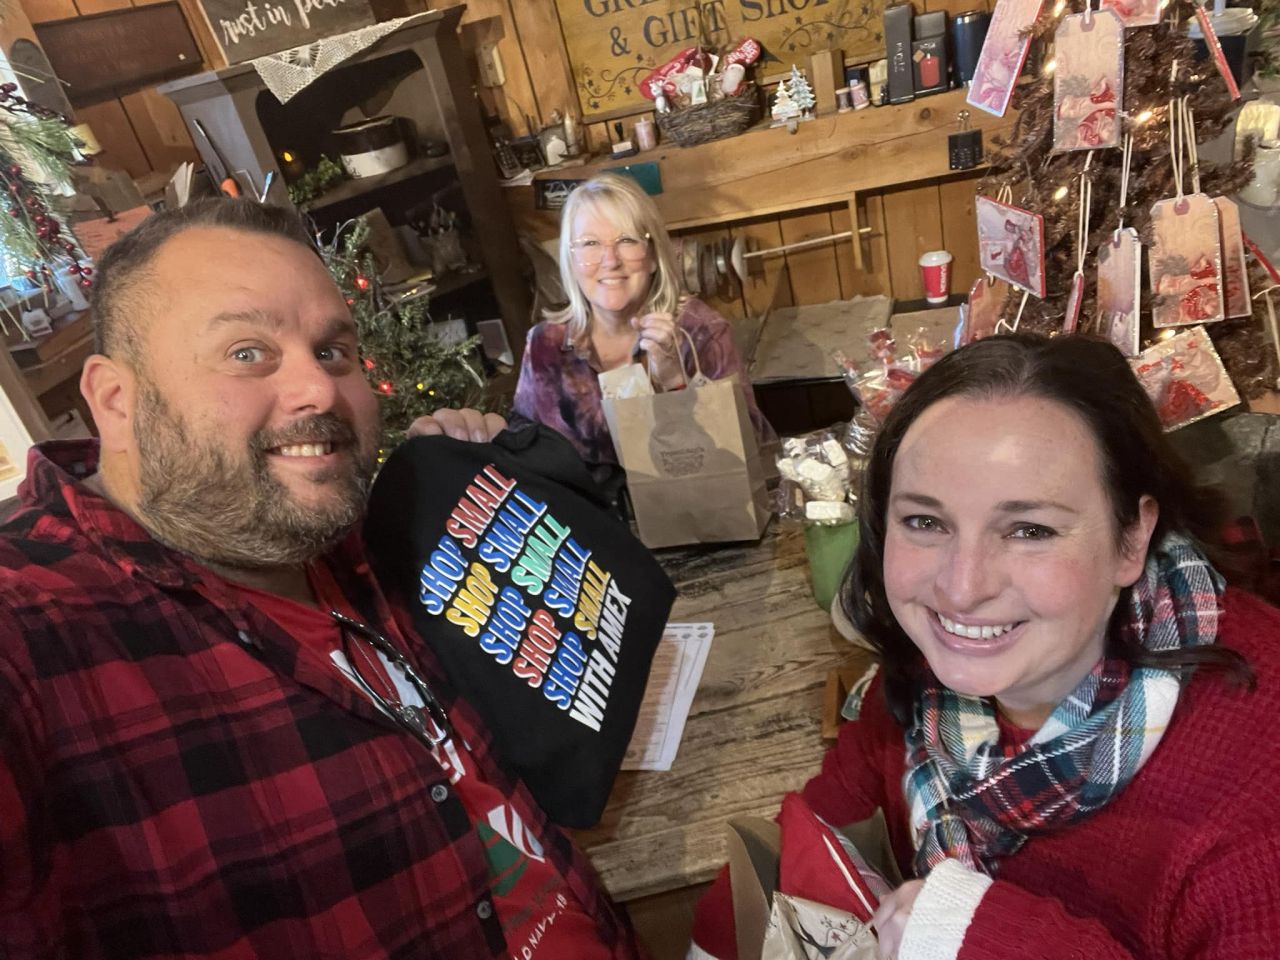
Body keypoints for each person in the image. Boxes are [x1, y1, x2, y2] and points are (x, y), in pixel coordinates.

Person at [0, 198, 640, 959]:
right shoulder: (33, 626)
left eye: (333, 352)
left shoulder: (351, 539)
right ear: (116, 399)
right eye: (247, 352)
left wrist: (464, 476)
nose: (321, 391)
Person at [691, 334, 1280, 960]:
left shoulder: (1255, 812)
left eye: (1029, 530)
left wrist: (980, 935)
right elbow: (819, 831)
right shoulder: (927, 679)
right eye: (925, 522)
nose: (961, 589)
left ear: (1132, 538)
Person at [512, 173, 776, 466]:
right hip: (582, 510)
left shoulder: (700, 331)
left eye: (626, 240)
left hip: (686, 510)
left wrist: (677, 382)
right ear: (570, 260)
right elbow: (522, 444)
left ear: (652, 256)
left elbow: (753, 446)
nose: (610, 260)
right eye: (590, 244)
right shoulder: (544, 344)